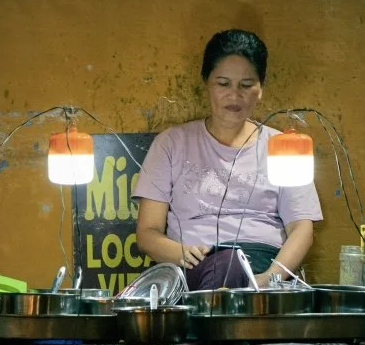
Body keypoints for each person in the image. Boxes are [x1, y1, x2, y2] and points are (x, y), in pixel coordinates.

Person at [133, 29, 323, 290]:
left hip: (264, 266)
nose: (234, 96)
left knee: (232, 265)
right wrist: (180, 253)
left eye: (246, 85)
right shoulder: (172, 143)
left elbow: (302, 229)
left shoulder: (283, 147)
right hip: (193, 265)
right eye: (223, 84)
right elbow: (147, 232)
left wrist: (270, 278)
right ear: (206, 83)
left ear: (261, 88)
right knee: (225, 266)